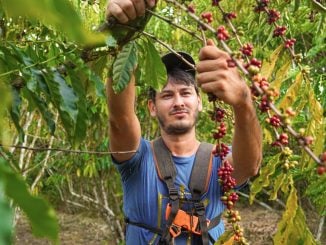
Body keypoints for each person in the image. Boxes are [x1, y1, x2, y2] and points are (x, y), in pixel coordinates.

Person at [106, 0, 262, 244]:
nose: (178, 101)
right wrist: (122, 39)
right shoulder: (138, 158)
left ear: (199, 102)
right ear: (152, 108)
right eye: (167, 95)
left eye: (186, 93)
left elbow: (249, 165)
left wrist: (243, 103)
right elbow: (120, 119)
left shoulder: (219, 159)